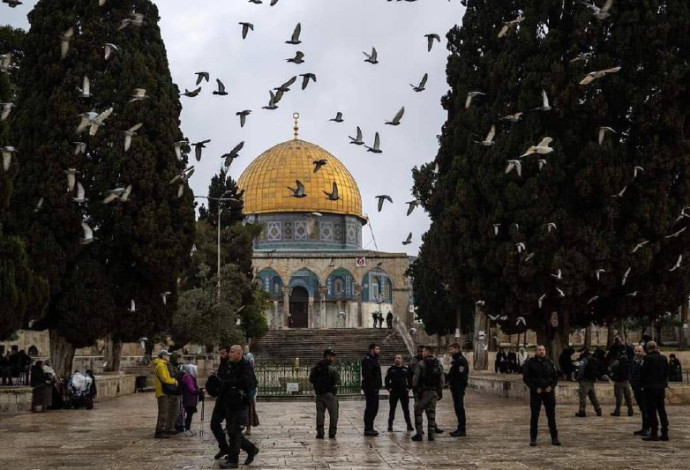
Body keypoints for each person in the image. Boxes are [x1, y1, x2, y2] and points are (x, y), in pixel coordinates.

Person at [218, 345, 259, 469]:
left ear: (239, 353)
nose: (229, 354)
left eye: (232, 352)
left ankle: (233, 460)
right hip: (230, 402)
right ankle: (251, 449)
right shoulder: (230, 365)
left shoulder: (246, 366)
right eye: (229, 351)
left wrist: (229, 383)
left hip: (240, 403)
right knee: (232, 430)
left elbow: (247, 382)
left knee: (234, 431)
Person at [522, 345, 560, 446]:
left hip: (548, 392)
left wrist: (551, 387)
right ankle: (533, 438)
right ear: (535, 352)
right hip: (536, 392)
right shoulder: (530, 363)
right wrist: (535, 388)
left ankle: (554, 438)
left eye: (543, 350)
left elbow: (555, 377)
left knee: (551, 415)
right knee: (535, 416)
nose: (541, 351)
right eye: (539, 350)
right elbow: (526, 378)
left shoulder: (550, 363)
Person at [411, 345, 444, 441]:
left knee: (418, 412)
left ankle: (419, 434)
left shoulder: (421, 363)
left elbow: (416, 378)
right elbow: (442, 379)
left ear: (428, 352)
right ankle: (431, 435)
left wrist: (416, 389)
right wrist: (439, 390)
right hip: (433, 392)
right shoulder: (438, 363)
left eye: (424, 351)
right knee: (431, 413)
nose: (423, 352)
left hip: (423, 391)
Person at [640, 341, 669, 441]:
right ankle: (665, 432)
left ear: (647, 348)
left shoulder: (647, 358)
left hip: (650, 388)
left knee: (651, 411)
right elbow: (666, 372)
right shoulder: (663, 358)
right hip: (661, 388)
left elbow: (642, 372)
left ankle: (654, 432)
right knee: (662, 410)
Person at [309, 348, 340, 439]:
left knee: (320, 413)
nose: (333, 358)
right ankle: (332, 432)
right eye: (332, 356)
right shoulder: (332, 368)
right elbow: (338, 381)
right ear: (328, 356)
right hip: (330, 394)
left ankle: (320, 432)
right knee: (334, 413)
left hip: (319, 394)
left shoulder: (316, 368)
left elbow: (311, 379)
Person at [153, 350, 179, 438]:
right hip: (162, 391)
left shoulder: (162, 364)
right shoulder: (161, 365)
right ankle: (159, 430)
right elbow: (165, 378)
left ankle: (162, 429)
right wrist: (174, 381)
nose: (169, 357)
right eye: (168, 355)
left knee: (165, 411)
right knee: (163, 411)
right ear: (163, 356)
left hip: (163, 391)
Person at [385, 354, 413, 432]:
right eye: (396, 358)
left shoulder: (405, 369)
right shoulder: (391, 369)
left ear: (402, 360)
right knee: (392, 409)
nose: (397, 359)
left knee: (406, 409)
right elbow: (386, 380)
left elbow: (410, 380)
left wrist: (408, 388)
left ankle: (409, 425)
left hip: (403, 392)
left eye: (399, 358)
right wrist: (389, 389)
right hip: (394, 392)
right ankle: (390, 425)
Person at [447, 342, 469, 437]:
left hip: (458, 388)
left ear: (457, 349)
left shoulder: (460, 361)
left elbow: (461, 376)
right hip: (455, 388)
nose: (450, 351)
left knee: (460, 408)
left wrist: (457, 386)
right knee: (457, 408)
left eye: (452, 349)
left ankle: (462, 429)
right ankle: (459, 428)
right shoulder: (456, 360)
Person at [361, 343, 382, 436]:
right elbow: (368, 375)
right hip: (370, 388)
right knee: (370, 408)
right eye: (377, 349)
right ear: (372, 350)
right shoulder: (368, 360)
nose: (379, 351)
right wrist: (373, 386)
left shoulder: (375, 359)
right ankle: (368, 428)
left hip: (375, 388)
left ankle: (370, 427)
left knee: (375, 408)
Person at [574, 348, 602, 417]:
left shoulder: (584, 360)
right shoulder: (593, 359)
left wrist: (578, 378)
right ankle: (598, 410)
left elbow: (581, 370)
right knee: (593, 397)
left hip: (584, 381)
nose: (580, 353)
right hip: (591, 381)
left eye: (581, 352)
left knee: (582, 396)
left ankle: (582, 411)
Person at [629, 344, 649, 437]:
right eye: (636, 351)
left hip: (644, 389)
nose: (637, 353)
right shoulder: (633, 361)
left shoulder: (646, 360)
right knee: (642, 409)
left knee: (646, 409)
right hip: (636, 388)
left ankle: (647, 428)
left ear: (643, 351)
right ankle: (644, 427)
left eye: (639, 351)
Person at [609, 351, 633, 416]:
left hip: (618, 382)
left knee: (619, 398)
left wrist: (612, 375)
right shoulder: (629, 362)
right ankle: (630, 410)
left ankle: (617, 411)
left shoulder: (617, 362)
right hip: (626, 382)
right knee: (628, 397)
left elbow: (610, 369)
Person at [180, 364, 200, 436]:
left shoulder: (189, 377)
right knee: (189, 415)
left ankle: (188, 428)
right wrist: (199, 391)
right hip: (189, 399)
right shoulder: (188, 378)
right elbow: (191, 389)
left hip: (190, 399)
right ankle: (187, 429)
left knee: (189, 415)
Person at [243, 347, 259, 436]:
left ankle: (247, 429)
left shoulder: (247, 366)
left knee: (248, 411)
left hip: (248, 393)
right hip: (248, 393)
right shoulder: (246, 366)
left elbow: (252, 382)